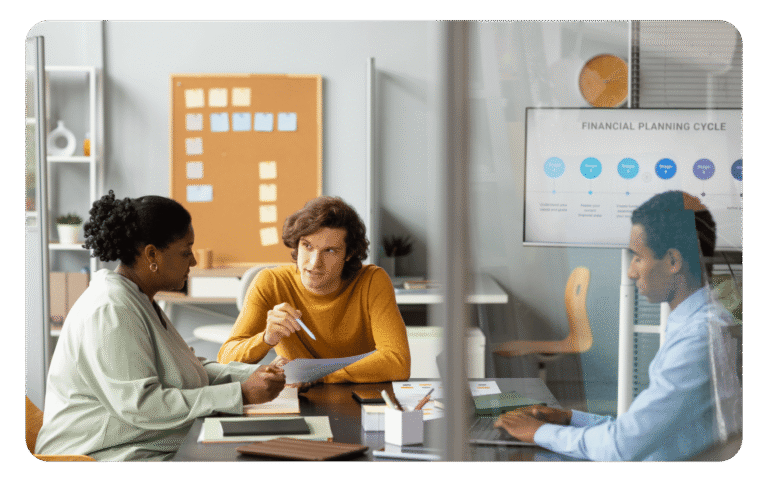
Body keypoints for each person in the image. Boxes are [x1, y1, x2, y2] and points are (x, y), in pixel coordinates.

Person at [34, 191, 286, 461]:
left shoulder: (137, 298)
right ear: (152, 254)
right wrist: (239, 394)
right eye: (185, 252)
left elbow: (186, 368)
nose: (193, 261)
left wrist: (252, 374)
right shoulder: (111, 309)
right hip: (99, 455)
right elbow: (142, 406)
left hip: (139, 444)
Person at [494, 190, 741, 461]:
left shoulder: (698, 338)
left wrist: (538, 432)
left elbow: (621, 447)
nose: (631, 272)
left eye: (638, 257)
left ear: (673, 261)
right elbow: (635, 433)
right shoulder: (695, 322)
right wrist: (569, 418)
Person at [218, 196, 410, 383]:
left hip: (358, 392)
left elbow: (398, 363)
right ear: (297, 244)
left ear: (349, 254)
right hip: (299, 393)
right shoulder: (271, 282)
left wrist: (319, 376)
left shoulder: (372, 281)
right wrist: (266, 339)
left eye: (330, 251)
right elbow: (225, 360)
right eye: (307, 246)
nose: (314, 263)